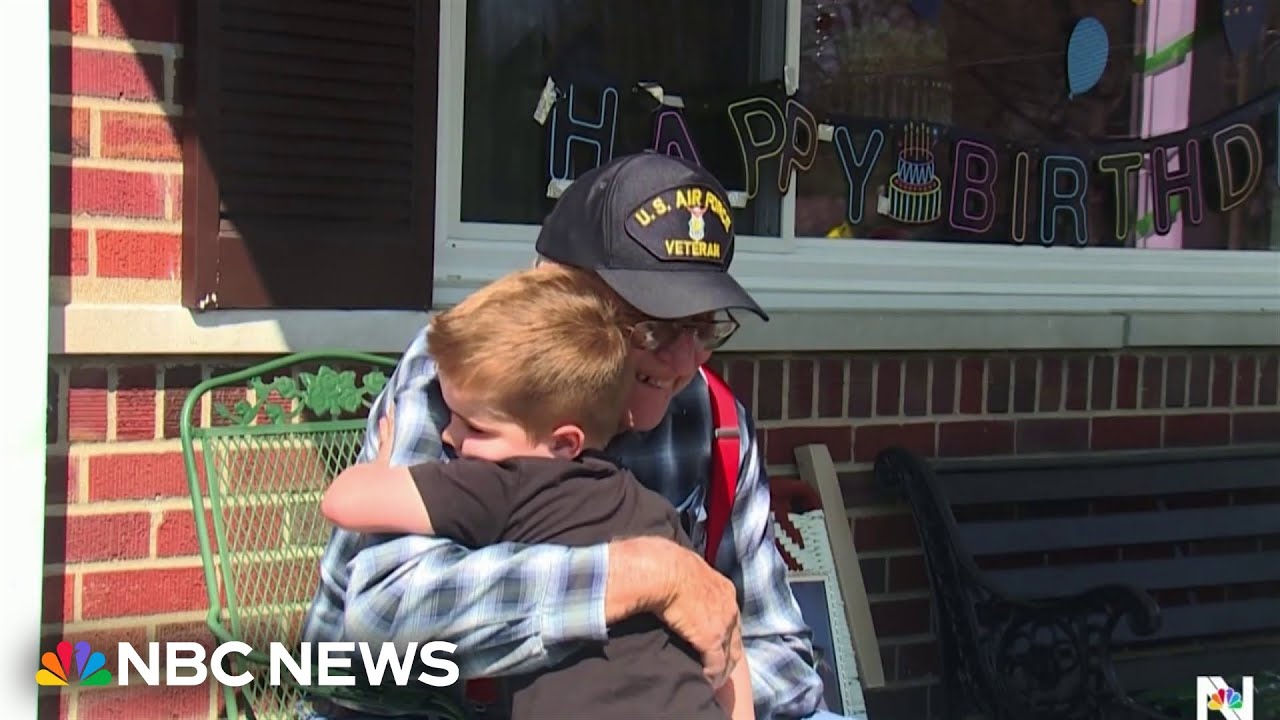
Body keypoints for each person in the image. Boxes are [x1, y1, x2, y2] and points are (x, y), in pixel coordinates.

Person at [301, 152, 860, 720]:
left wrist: (663, 687)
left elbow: (782, 655)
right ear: (555, 294)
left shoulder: (714, 421)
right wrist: (644, 576)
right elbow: (386, 613)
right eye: (656, 323)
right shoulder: (471, 380)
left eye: (705, 324)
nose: (685, 358)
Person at [319, 265, 754, 720]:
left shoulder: (502, 485)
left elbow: (342, 503)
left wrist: (382, 464)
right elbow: (724, 637)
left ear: (564, 441)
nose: (449, 434)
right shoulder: (652, 510)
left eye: (475, 426)